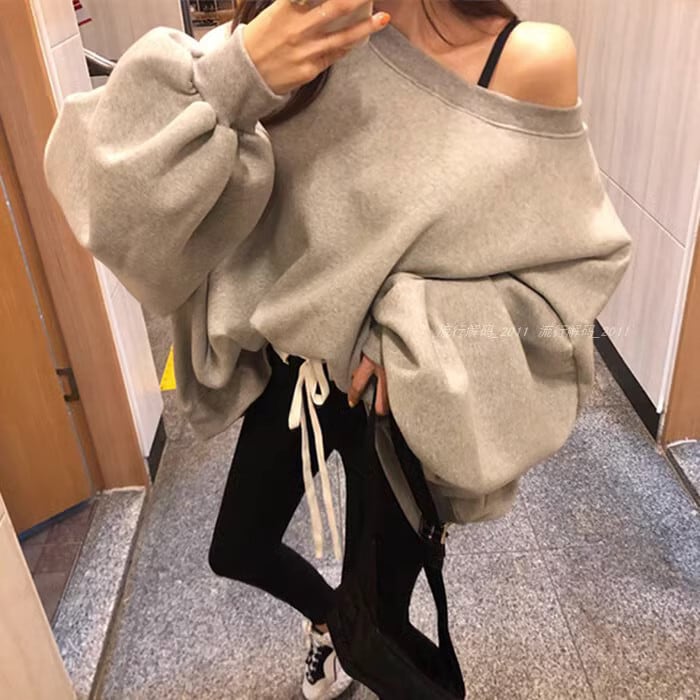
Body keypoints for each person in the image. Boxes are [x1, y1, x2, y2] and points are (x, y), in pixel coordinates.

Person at [43, 0, 632, 697]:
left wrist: (418, 326)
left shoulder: (527, 58)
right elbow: (99, 193)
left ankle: (354, 637)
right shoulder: (291, 29)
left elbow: (563, 278)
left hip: (409, 392)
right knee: (237, 548)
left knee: (376, 628)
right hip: (303, 376)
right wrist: (238, 75)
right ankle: (327, 620)